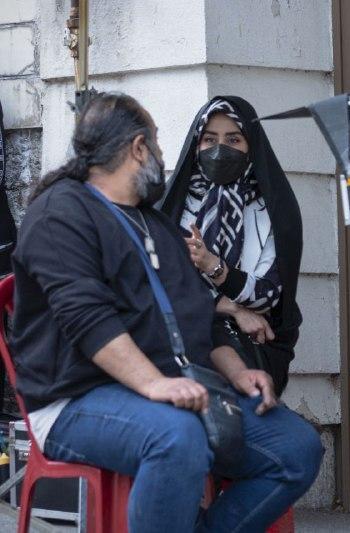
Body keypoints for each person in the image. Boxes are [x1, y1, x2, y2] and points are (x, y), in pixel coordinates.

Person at [11, 92, 322, 533]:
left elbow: (202, 315)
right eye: (156, 144)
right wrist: (154, 384)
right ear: (139, 148)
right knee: (177, 437)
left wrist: (238, 372)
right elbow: (88, 319)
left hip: (174, 387)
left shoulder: (155, 224)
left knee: (296, 448)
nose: (162, 155)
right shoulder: (60, 214)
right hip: (76, 399)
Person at [159, 96, 302, 397]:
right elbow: (166, 286)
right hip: (185, 344)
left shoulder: (274, 210)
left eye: (233, 139)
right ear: (196, 144)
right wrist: (231, 307)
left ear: (252, 145)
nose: (220, 149)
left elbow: (269, 293)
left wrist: (214, 266)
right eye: (209, 139)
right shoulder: (174, 207)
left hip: (260, 342)